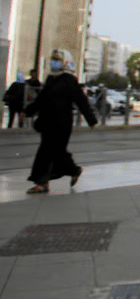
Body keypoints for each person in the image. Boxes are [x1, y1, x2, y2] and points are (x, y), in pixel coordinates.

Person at [24, 50, 97, 194]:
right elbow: (41, 99)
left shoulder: (69, 80)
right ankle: (71, 171)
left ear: (65, 62)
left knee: (50, 152)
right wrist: (28, 111)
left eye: (57, 59)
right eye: (52, 59)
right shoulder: (51, 78)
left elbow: (81, 100)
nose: (53, 61)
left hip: (61, 124)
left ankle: (43, 182)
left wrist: (91, 119)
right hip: (47, 122)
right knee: (54, 152)